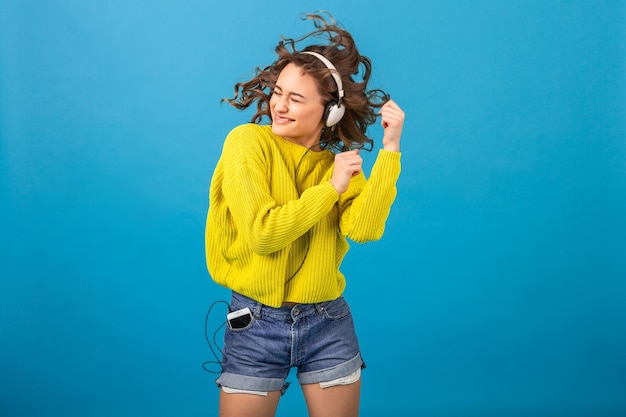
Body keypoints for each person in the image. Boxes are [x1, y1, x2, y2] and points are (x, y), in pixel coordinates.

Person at [204, 11, 404, 417]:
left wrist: (390, 151)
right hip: (256, 321)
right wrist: (329, 190)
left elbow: (364, 229)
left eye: (295, 99)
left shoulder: (338, 166)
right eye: (278, 92)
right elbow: (264, 233)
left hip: (327, 320)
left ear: (329, 110)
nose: (278, 105)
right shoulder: (247, 142)